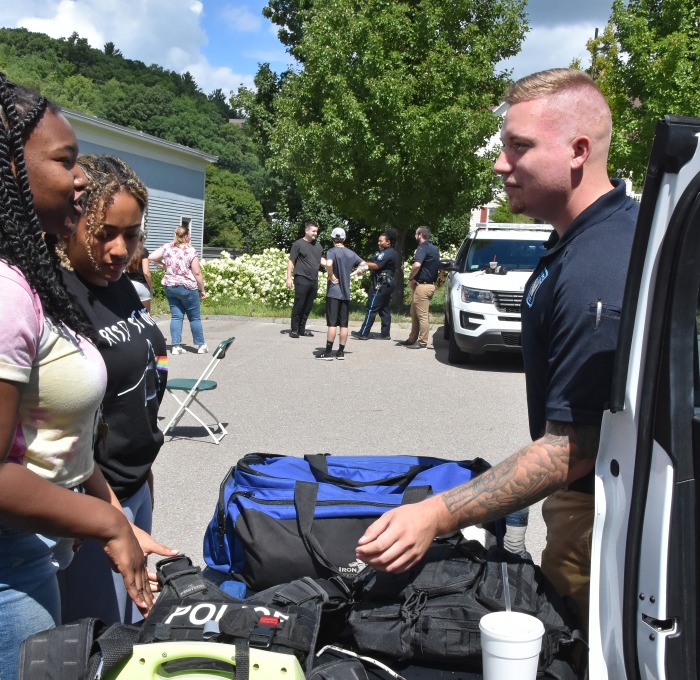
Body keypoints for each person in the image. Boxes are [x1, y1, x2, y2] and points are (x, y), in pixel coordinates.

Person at [356, 68, 640, 632]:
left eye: (519, 147)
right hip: (580, 507)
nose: (500, 164)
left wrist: (435, 514)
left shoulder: (601, 262)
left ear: (579, 150)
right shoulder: (575, 240)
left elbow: (574, 447)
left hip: (596, 517)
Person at [0, 74, 155, 680]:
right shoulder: (10, 294)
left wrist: (114, 508)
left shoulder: (27, 281)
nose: (82, 176)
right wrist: (109, 522)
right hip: (16, 550)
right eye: (65, 161)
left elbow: (52, 438)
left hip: (57, 525)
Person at [57, 154, 176, 625]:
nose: (119, 249)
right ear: (71, 222)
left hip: (133, 485)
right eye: (104, 233)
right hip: (92, 502)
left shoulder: (124, 288)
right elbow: (65, 425)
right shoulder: (58, 298)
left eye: (131, 234)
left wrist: (142, 473)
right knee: (100, 636)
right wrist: (112, 512)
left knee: (132, 622)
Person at [149, 225, 208, 354]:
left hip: (170, 286)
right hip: (187, 286)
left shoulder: (168, 247)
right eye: (190, 235)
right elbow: (197, 273)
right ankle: (201, 345)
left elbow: (151, 257)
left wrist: (165, 266)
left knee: (176, 317)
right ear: (186, 236)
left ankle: (175, 346)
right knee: (194, 318)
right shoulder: (190, 251)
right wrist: (202, 289)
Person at [317, 227, 366, 360]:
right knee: (344, 324)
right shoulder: (351, 253)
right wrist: (353, 273)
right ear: (344, 239)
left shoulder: (332, 251)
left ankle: (328, 352)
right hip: (345, 293)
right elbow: (365, 265)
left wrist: (331, 275)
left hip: (334, 292)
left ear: (332, 239)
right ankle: (341, 352)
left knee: (332, 323)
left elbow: (328, 263)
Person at [352, 229, 399, 340]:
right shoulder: (387, 252)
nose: (378, 243)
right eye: (378, 241)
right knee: (384, 308)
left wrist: (362, 264)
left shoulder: (388, 253)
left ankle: (363, 333)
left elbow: (377, 265)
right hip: (386, 284)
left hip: (381, 284)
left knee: (371, 308)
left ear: (388, 242)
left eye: (381, 241)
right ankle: (385, 333)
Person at [401, 226, 439, 349]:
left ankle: (422, 342)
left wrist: (411, 278)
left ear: (420, 235)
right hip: (428, 285)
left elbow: (417, 265)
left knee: (422, 315)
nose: (415, 235)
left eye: (416, 233)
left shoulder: (422, 248)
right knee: (415, 313)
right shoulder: (434, 248)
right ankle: (412, 339)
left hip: (422, 286)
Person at [286, 221, 324, 338]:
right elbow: (291, 261)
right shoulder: (298, 244)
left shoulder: (318, 246)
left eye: (316, 231)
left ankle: (302, 329)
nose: (315, 233)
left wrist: (332, 266)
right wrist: (289, 278)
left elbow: (321, 261)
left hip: (314, 280)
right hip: (301, 278)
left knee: (308, 305)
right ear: (306, 231)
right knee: (299, 304)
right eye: (313, 231)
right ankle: (294, 329)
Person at [126, 233, 154, 313]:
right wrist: (151, 287)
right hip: (141, 286)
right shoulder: (143, 251)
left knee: (130, 313)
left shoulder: (127, 250)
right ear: (142, 240)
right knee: (146, 315)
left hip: (128, 284)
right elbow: (146, 272)